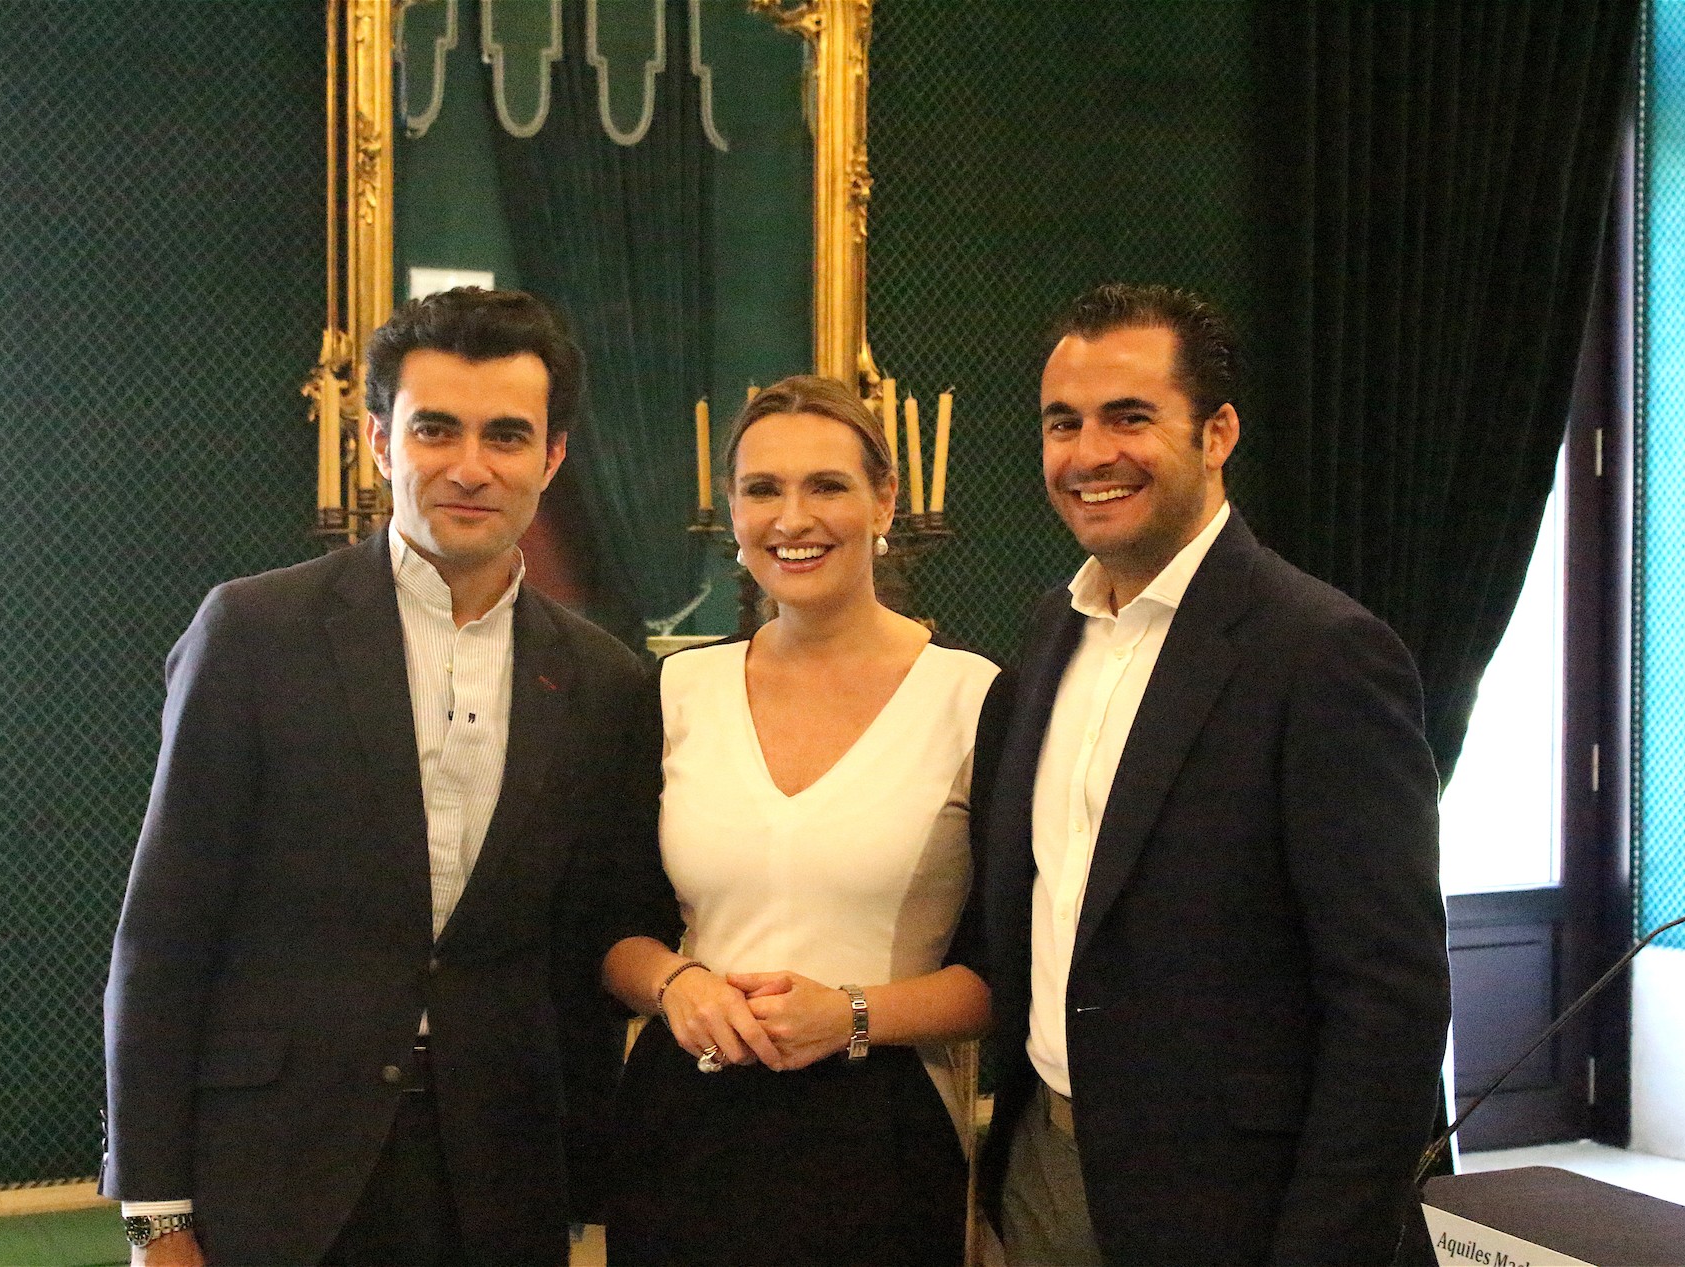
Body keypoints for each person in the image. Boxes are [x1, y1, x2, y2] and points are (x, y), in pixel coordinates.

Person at [101, 287, 662, 1266]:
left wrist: (582, 1185)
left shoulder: (605, 681)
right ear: (378, 441)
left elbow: (583, 951)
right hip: (272, 1170)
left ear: (551, 457)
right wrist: (156, 1213)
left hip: (499, 1177)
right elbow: (164, 934)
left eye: (506, 435)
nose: (470, 467)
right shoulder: (252, 634)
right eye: (435, 429)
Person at [972, 283, 1452, 1265]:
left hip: (1230, 1208)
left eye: (1129, 417)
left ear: (1217, 433)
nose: (1088, 454)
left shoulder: (1322, 652)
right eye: (1063, 423)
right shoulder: (1051, 632)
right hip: (1044, 1168)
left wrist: (1324, 1245)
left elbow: (1389, 1000)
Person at [601, 376, 999, 1267]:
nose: (793, 518)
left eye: (826, 485)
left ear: (883, 500)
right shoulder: (674, 690)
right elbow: (615, 929)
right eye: (763, 489)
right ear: (733, 511)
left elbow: (1002, 974)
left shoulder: (975, 698)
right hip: (685, 1131)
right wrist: (676, 982)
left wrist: (850, 1014)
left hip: (882, 1140)